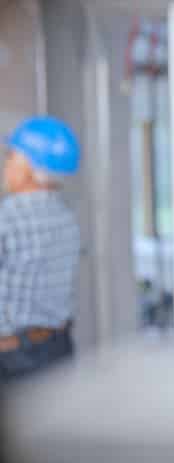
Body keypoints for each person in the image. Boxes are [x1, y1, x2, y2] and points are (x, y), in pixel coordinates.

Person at [0, 116, 81, 380]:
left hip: (12, 362)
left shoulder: (8, 218)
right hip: (59, 349)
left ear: (28, 167)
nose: (6, 165)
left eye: (11, 156)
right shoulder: (65, 215)